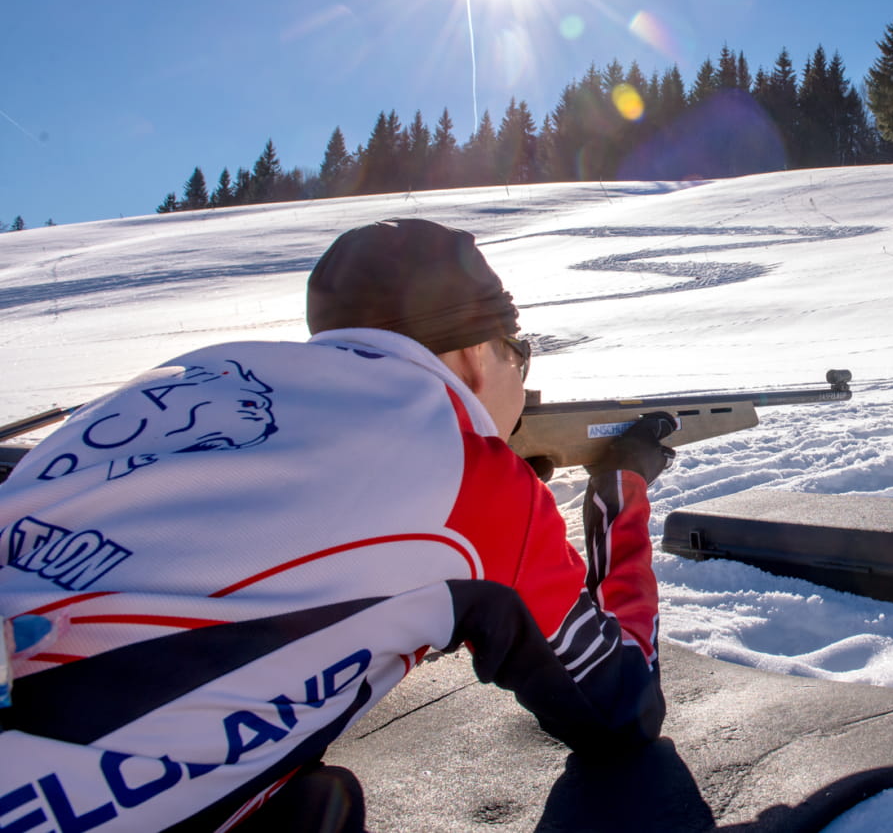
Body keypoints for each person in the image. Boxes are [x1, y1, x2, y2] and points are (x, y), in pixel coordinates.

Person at [0, 218, 674, 832]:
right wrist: (623, 487)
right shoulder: (471, 474)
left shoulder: (189, 375)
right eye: (518, 354)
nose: (522, 378)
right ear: (475, 355)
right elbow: (617, 707)